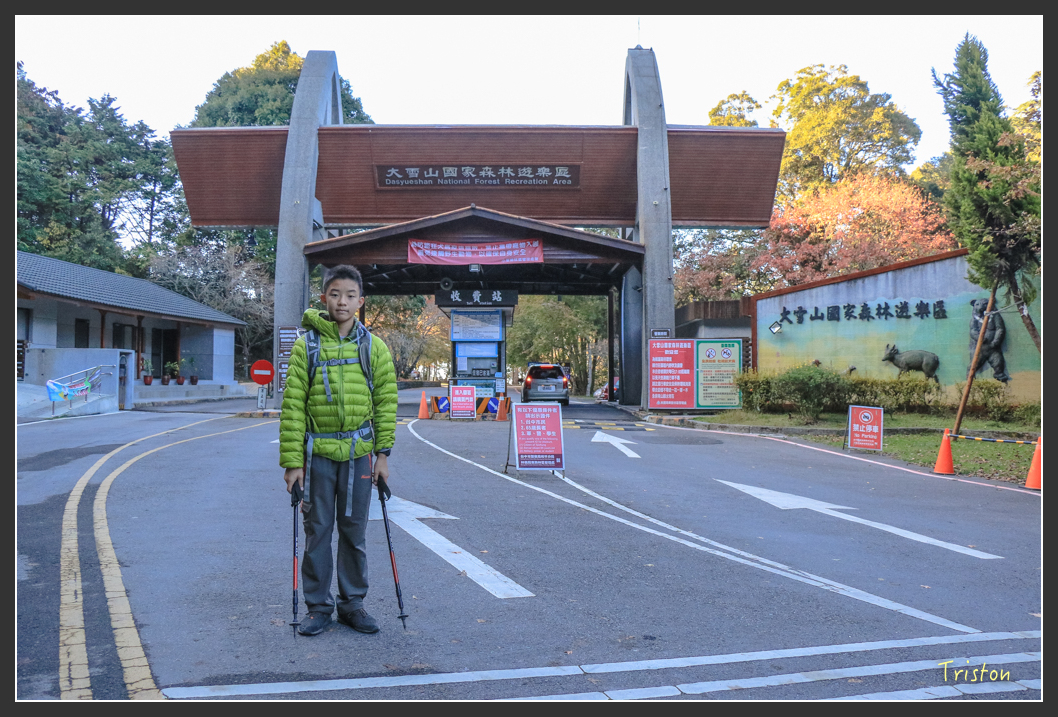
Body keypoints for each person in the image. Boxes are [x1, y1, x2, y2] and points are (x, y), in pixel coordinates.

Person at [280, 265, 398, 636]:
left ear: (360, 301)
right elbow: (293, 405)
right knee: (317, 531)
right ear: (324, 298)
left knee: (354, 531)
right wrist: (292, 463)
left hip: (359, 453)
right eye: (335, 294)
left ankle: (353, 604)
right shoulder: (307, 345)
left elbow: (386, 402)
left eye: (350, 295)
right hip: (317, 456)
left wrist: (382, 455)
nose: (342, 301)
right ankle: (319, 606)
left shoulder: (373, 346)